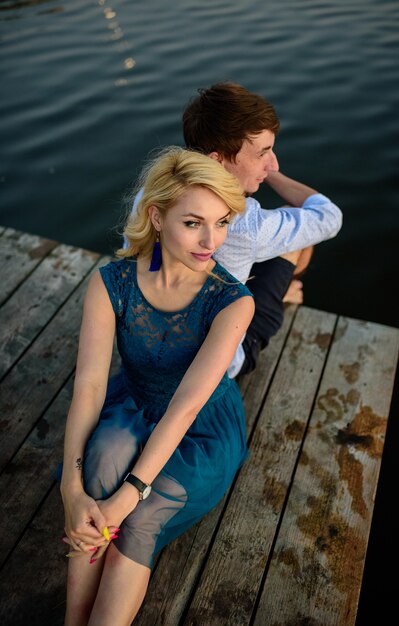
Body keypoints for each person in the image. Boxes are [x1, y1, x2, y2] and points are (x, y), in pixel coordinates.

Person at [60, 147, 254, 626]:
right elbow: (87, 386)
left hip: (200, 429)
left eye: (223, 221)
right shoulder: (112, 283)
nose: (213, 239)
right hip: (135, 403)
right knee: (98, 473)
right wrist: (70, 488)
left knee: (139, 518)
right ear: (157, 215)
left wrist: (128, 498)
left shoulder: (232, 302)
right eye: (194, 223)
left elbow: (185, 409)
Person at [182, 81, 343, 376]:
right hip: (224, 359)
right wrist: (270, 176)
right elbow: (328, 217)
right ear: (217, 159)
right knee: (297, 224)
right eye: (263, 153)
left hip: (165, 338)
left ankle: (275, 292)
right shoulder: (245, 223)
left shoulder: (153, 193)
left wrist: (256, 166)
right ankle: (282, 296)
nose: (274, 162)